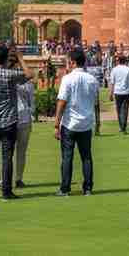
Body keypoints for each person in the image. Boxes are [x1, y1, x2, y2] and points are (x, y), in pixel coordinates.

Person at [0, 43, 31, 201]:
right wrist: (21, 59)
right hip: (8, 121)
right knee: (6, 157)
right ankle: (6, 192)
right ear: (5, 58)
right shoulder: (10, 75)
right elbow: (29, 75)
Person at [54, 47, 97, 196]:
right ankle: (88, 188)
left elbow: (61, 102)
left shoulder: (68, 78)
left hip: (70, 123)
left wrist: (56, 123)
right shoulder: (92, 79)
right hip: (86, 123)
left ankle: (65, 188)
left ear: (72, 62)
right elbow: (94, 102)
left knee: (67, 157)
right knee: (86, 157)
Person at [109, 54, 129, 134]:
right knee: (125, 110)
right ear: (125, 61)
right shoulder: (128, 69)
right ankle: (123, 127)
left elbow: (112, 82)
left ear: (118, 61)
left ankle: (121, 126)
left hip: (117, 92)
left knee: (119, 110)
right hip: (126, 92)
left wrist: (110, 93)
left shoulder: (114, 69)